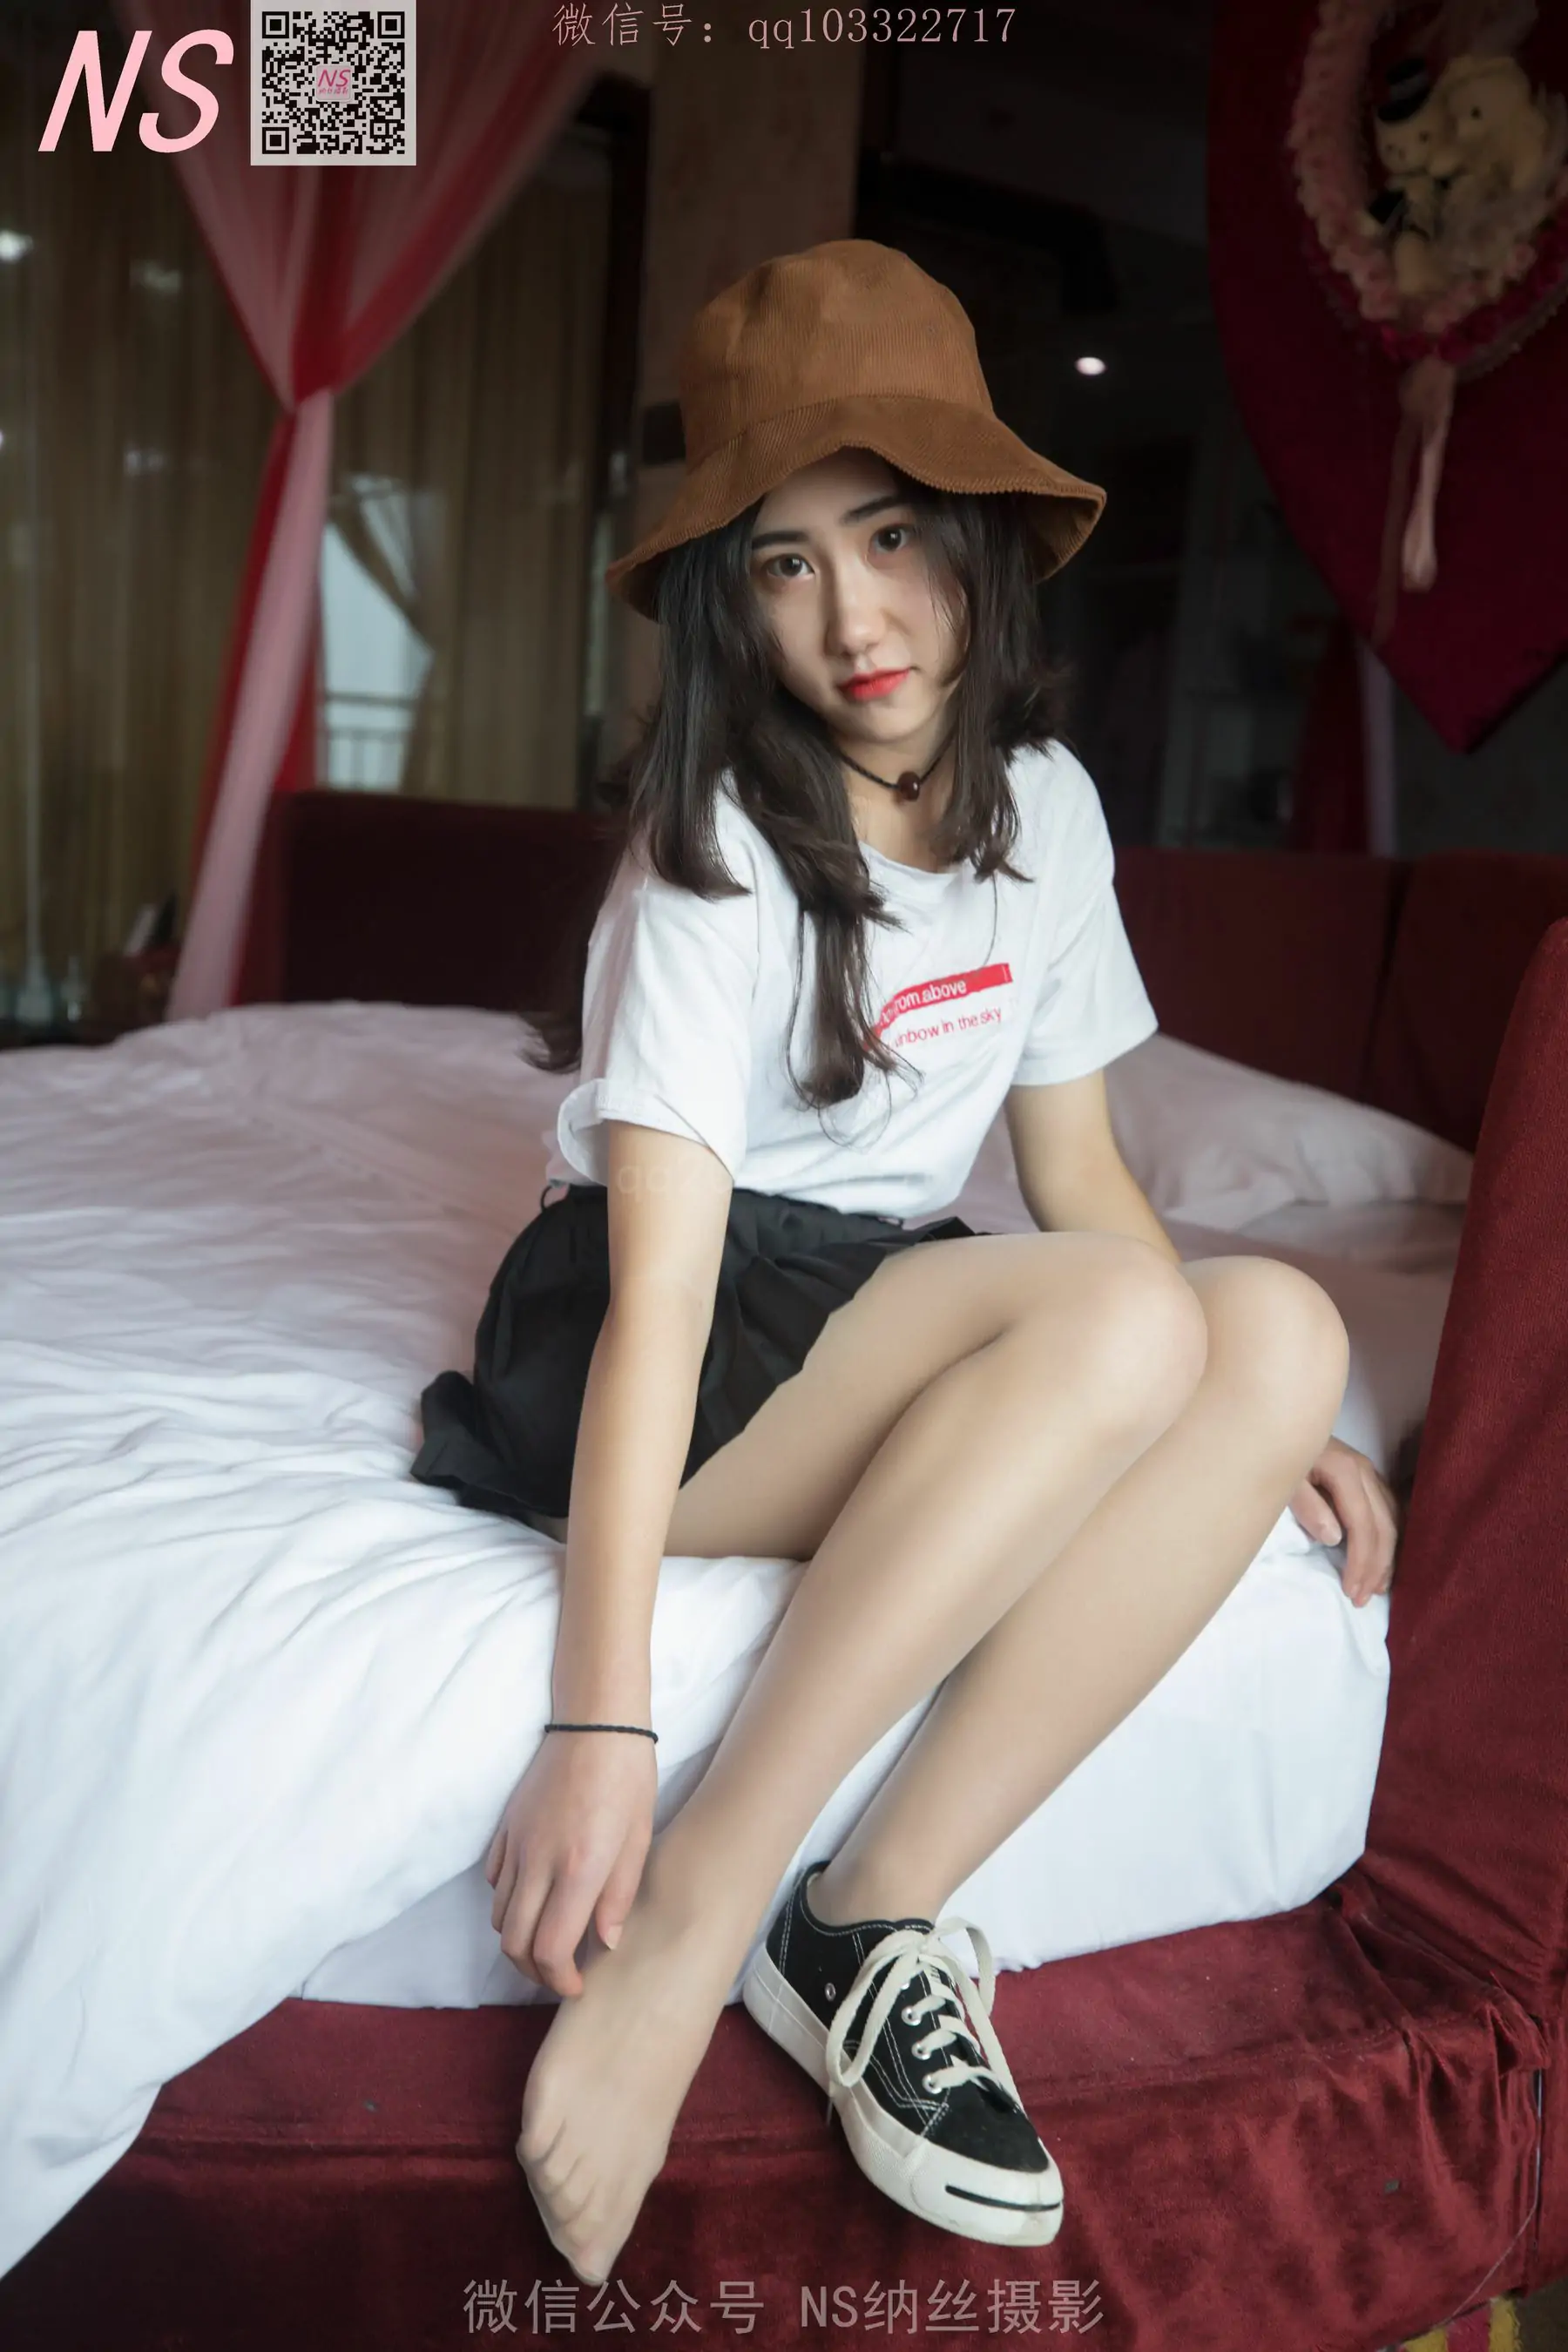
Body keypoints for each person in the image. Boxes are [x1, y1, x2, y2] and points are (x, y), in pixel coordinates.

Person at [410, 240, 1401, 2288]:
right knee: (1128, 1312)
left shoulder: (1048, 811)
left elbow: (1079, 1168)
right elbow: (666, 1299)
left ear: (974, 539)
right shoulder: (712, 854)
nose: (852, 618)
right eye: (784, 564)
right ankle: (702, 1911)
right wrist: (600, 1726)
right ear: (730, 598)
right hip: (653, 1335)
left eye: (886, 539)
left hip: (865, 1303)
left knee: (1279, 1320)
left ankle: (866, 1918)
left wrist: (1253, 1418)